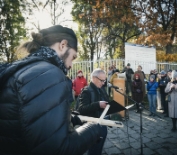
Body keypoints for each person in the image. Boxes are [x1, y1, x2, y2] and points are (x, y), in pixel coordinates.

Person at [0, 25, 101, 155]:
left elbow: (26, 120)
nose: (71, 65)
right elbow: (57, 150)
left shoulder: (20, 69)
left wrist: (70, 118)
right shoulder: (49, 74)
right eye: (73, 57)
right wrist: (94, 128)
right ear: (63, 45)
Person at [77, 68, 109, 155]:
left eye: (104, 80)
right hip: (92, 126)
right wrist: (98, 104)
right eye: (101, 80)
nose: (103, 83)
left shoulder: (101, 88)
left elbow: (106, 101)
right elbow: (82, 110)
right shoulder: (86, 91)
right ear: (94, 78)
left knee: (99, 149)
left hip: (103, 123)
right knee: (94, 150)